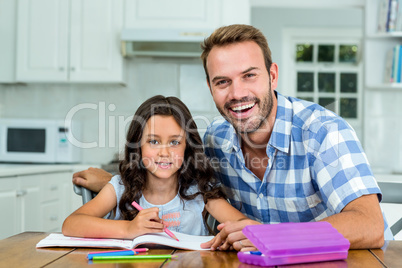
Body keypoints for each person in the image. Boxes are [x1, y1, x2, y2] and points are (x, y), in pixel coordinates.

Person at [73, 25, 393, 250]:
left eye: (249, 76)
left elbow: (369, 225)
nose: (237, 93)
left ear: (272, 75)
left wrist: (269, 236)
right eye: (223, 81)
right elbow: (178, 177)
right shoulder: (215, 139)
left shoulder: (323, 132)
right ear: (211, 87)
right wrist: (117, 183)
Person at [63, 95, 247, 240]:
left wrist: (234, 234)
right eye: (153, 141)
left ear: (187, 147)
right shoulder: (120, 188)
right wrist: (128, 228)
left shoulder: (200, 191)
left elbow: (243, 225)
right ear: (138, 145)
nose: (164, 152)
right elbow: (71, 224)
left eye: (174, 142)